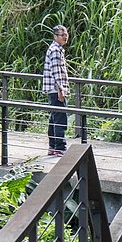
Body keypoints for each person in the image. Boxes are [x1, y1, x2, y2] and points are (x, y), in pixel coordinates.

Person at [42, 25, 70, 156]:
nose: (65, 37)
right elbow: (56, 71)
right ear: (55, 36)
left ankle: (53, 146)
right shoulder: (55, 50)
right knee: (60, 118)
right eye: (62, 35)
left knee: (54, 118)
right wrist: (61, 90)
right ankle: (60, 147)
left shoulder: (56, 49)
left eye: (66, 34)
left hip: (54, 89)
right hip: (56, 89)